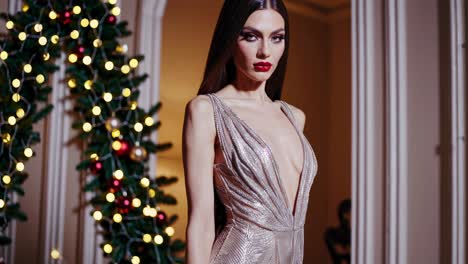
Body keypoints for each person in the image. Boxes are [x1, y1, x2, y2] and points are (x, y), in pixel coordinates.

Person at [182, 0, 318, 263]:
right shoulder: (207, 111)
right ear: (231, 39)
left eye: (277, 38)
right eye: (251, 36)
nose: (265, 51)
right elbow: (201, 222)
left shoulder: (294, 117)